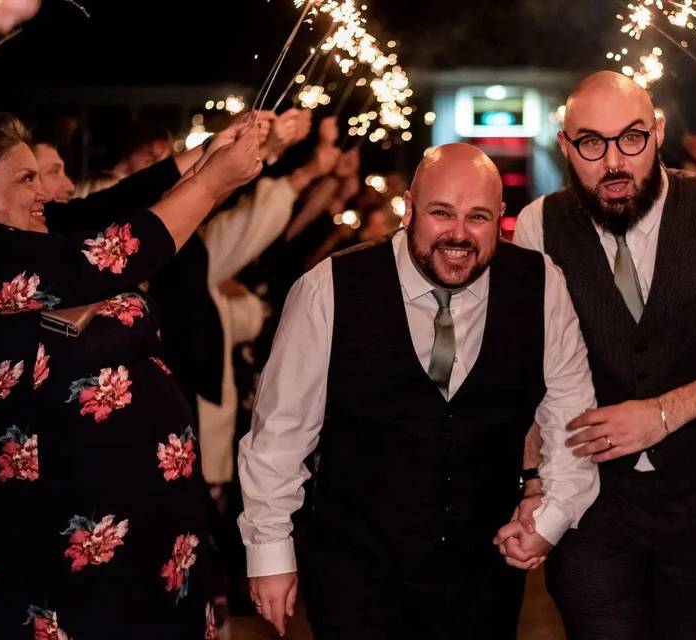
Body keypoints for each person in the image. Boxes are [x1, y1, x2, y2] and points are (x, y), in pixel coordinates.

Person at [238, 143, 599, 639]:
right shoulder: (329, 288)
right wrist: (270, 552)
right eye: (440, 213)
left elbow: (572, 417)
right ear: (409, 209)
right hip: (355, 571)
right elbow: (279, 432)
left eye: (477, 217)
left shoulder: (540, 285)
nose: (458, 234)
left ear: (499, 217)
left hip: (482, 576)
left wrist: (552, 516)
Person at [512, 71, 696, 639]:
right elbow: (527, 373)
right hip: (586, 503)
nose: (614, 161)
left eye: (632, 138)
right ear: (567, 145)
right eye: (592, 143)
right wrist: (531, 482)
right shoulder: (536, 226)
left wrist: (665, 412)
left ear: (659, 131)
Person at [0, 112, 261, 638]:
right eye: (27, 178)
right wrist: (208, 183)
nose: (45, 190)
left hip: (152, 543)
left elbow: (110, 208)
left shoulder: (41, 242)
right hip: (67, 557)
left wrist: (205, 153)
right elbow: (112, 253)